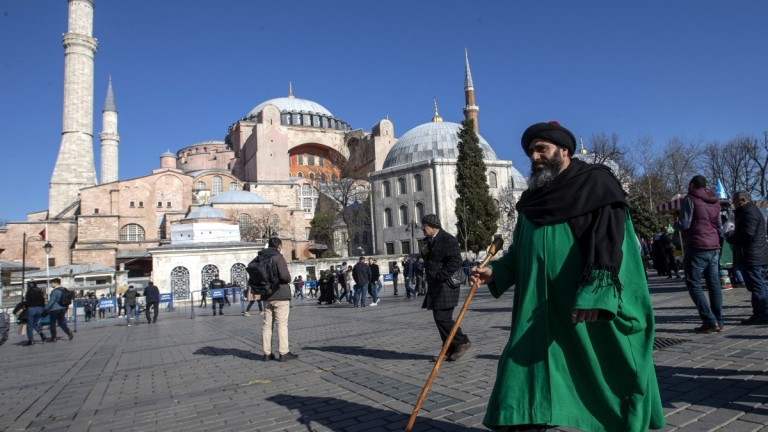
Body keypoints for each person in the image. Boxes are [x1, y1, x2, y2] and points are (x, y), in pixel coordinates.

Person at [471, 121, 664, 431]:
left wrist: (597, 296)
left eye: (541, 149)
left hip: (584, 308)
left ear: (563, 150)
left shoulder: (596, 186)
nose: (534, 157)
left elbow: (615, 246)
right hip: (538, 315)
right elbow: (519, 252)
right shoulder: (532, 203)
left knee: (604, 378)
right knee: (521, 382)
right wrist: (494, 272)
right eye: (531, 151)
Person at [419, 213, 471, 363]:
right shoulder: (430, 240)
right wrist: (424, 253)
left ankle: (462, 342)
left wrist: (442, 276)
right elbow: (431, 259)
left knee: (443, 318)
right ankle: (449, 348)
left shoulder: (448, 239)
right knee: (439, 318)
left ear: (434, 226)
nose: (422, 228)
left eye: (425, 226)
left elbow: (456, 261)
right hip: (436, 285)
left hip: (447, 285)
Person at [679, 175, 723, 333]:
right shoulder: (715, 200)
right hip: (714, 245)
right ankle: (719, 320)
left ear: (692, 184)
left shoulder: (690, 199)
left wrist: (675, 225)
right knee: (714, 284)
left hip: (698, 245)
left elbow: (685, 223)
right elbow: (719, 225)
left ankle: (709, 320)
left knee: (693, 283)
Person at [726, 190, 768, 324]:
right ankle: (763, 312)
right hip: (753, 254)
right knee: (758, 285)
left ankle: (761, 314)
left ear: (743, 200)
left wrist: (731, 237)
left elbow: (747, 234)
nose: (734, 203)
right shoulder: (747, 212)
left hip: (752, 255)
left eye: (735, 200)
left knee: (757, 285)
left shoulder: (750, 213)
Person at [258, 237, 298, 361]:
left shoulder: (261, 257)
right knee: (282, 324)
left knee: (267, 324)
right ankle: (283, 352)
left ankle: (266, 353)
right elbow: (285, 277)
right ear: (279, 246)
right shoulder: (278, 257)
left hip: (266, 295)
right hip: (280, 294)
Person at [44, 278, 74, 342]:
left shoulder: (55, 291)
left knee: (52, 323)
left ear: (55, 283)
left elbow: (51, 301)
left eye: (51, 283)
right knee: (61, 322)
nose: (51, 285)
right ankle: (68, 332)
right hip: (63, 308)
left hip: (55, 309)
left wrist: (46, 308)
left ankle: (53, 337)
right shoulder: (64, 289)